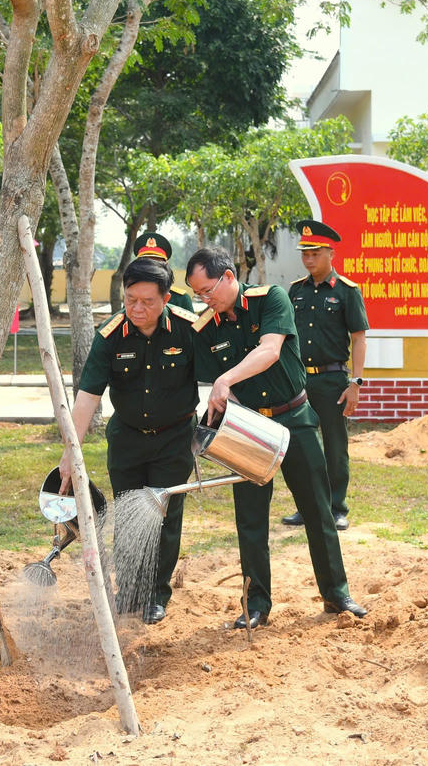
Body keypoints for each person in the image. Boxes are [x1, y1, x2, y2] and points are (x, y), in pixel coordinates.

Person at [184, 247, 365, 628]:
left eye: (207, 290)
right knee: (250, 520)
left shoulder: (272, 299)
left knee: (318, 510)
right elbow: (220, 387)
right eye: (197, 294)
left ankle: (336, 594)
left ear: (229, 277)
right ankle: (257, 605)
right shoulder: (206, 328)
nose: (205, 299)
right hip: (247, 429)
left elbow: (269, 351)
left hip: (293, 418)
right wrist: (224, 393)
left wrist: (225, 379)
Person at [59, 256, 199, 625]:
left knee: (164, 516)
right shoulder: (110, 335)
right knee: (130, 515)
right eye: (130, 299)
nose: (137, 308)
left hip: (174, 439)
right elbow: (87, 396)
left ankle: (156, 594)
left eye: (147, 301)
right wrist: (68, 453)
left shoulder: (188, 330)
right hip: (128, 440)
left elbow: (221, 378)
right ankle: (132, 590)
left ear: (166, 298)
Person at [282, 221, 368, 531]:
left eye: (315, 254)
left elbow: (358, 338)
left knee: (334, 446)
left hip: (333, 381)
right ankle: (306, 507)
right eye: (304, 255)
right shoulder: (295, 291)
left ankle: (336, 507)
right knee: (301, 447)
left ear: (330, 253)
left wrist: (355, 383)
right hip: (299, 380)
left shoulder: (346, 291)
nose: (308, 260)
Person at [132, 232, 193, 311]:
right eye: (146, 263)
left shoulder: (181, 299)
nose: (150, 269)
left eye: (156, 264)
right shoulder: (132, 297)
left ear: (166, 266)